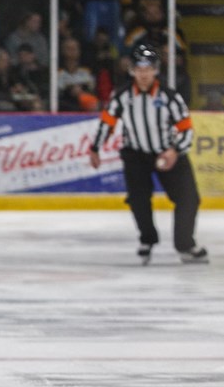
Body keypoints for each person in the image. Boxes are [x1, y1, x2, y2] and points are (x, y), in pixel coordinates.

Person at [88, 43, 207, 265]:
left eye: (148, 69)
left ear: (156, 70)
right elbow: (107, 122)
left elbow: (186, 129)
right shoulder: (122, 96)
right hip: (136, 155)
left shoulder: (170, 97)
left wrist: (175, 150)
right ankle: (147, 239)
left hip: (168, 151)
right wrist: (95, 148)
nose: (144, 74)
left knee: (189, 198)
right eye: (139, 69)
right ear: (132, 70)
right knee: (138, 199)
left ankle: (185, 244)